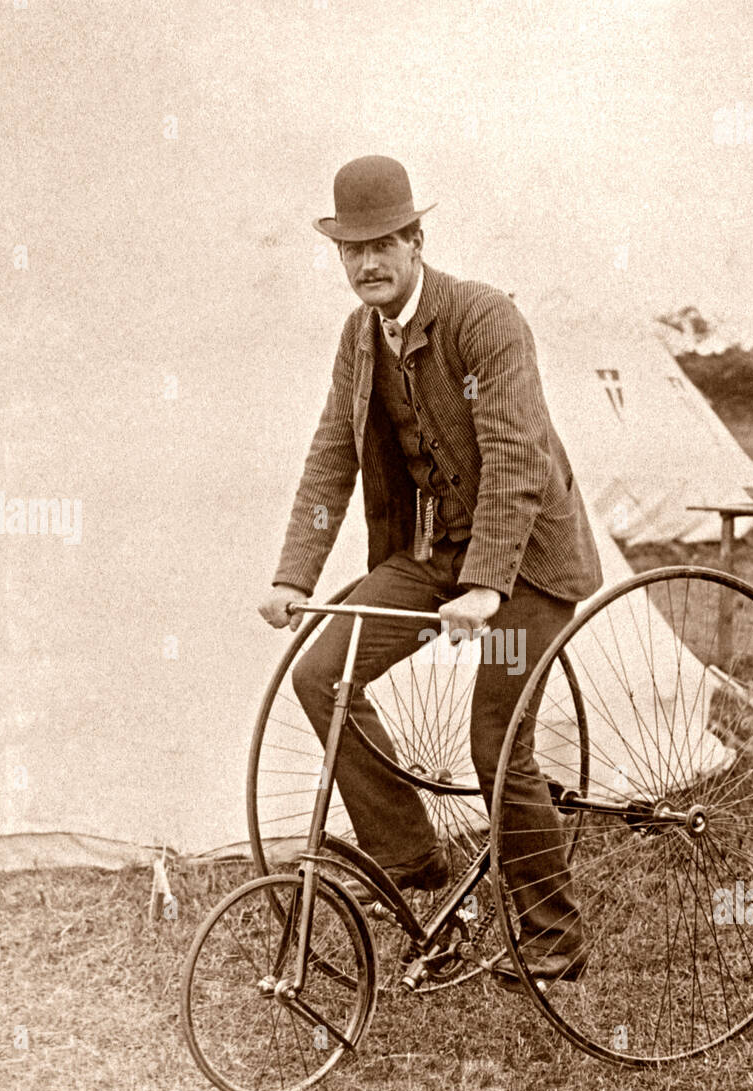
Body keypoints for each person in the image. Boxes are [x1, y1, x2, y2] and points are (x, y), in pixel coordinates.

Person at [258, 155, 602, 985]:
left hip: (530, 565)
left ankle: (555, 939)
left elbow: (518, 456)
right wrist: (293, 576)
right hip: (439, 557)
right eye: (352, 251)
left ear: (418, 241)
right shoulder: (360, 335)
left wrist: (488, 583)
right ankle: (413, 864)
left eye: (384, 244)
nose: (368, 263)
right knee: (320, 675)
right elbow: (331, 453)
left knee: (496, 743)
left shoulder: (485, 317)